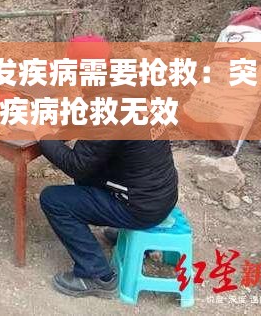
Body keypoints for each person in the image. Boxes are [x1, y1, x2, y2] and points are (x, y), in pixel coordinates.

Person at [36, 35, 179, 298]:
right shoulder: (127, 83)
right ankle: (120, 228)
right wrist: (61, 127)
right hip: (160, 194)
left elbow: (77, 165)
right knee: (88, 177)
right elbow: (94, 121)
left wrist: (42, 134)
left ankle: (96, 275)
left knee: (54, 199)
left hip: (140, 206)